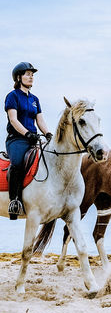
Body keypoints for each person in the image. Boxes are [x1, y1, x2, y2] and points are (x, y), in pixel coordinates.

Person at [4, 62, 52, 219]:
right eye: (27, 74)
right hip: (17, 139)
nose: (31, 77)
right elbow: (13, 120)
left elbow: (40, 121)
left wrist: (48, 133)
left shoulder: (35, 99)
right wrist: (26, 134)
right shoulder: (12, 96)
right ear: (19, 77)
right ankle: (14, 201)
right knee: (17, 163)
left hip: (33, 139)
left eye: (32, 74)